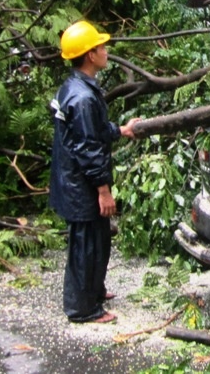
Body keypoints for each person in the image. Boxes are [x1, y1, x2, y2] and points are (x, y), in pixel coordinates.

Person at [50, 20, 141, 324]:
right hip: (82, 186)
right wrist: (103, 190)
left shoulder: (77, 87)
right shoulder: (83, 97)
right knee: (85, 246)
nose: (106, 51)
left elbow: (95, 130)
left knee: (99, 240)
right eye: (101, 47)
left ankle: (95, 291)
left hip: (78, 180)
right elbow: (88, 147)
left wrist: (121, 130)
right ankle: (82, 309)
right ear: (90, 55)